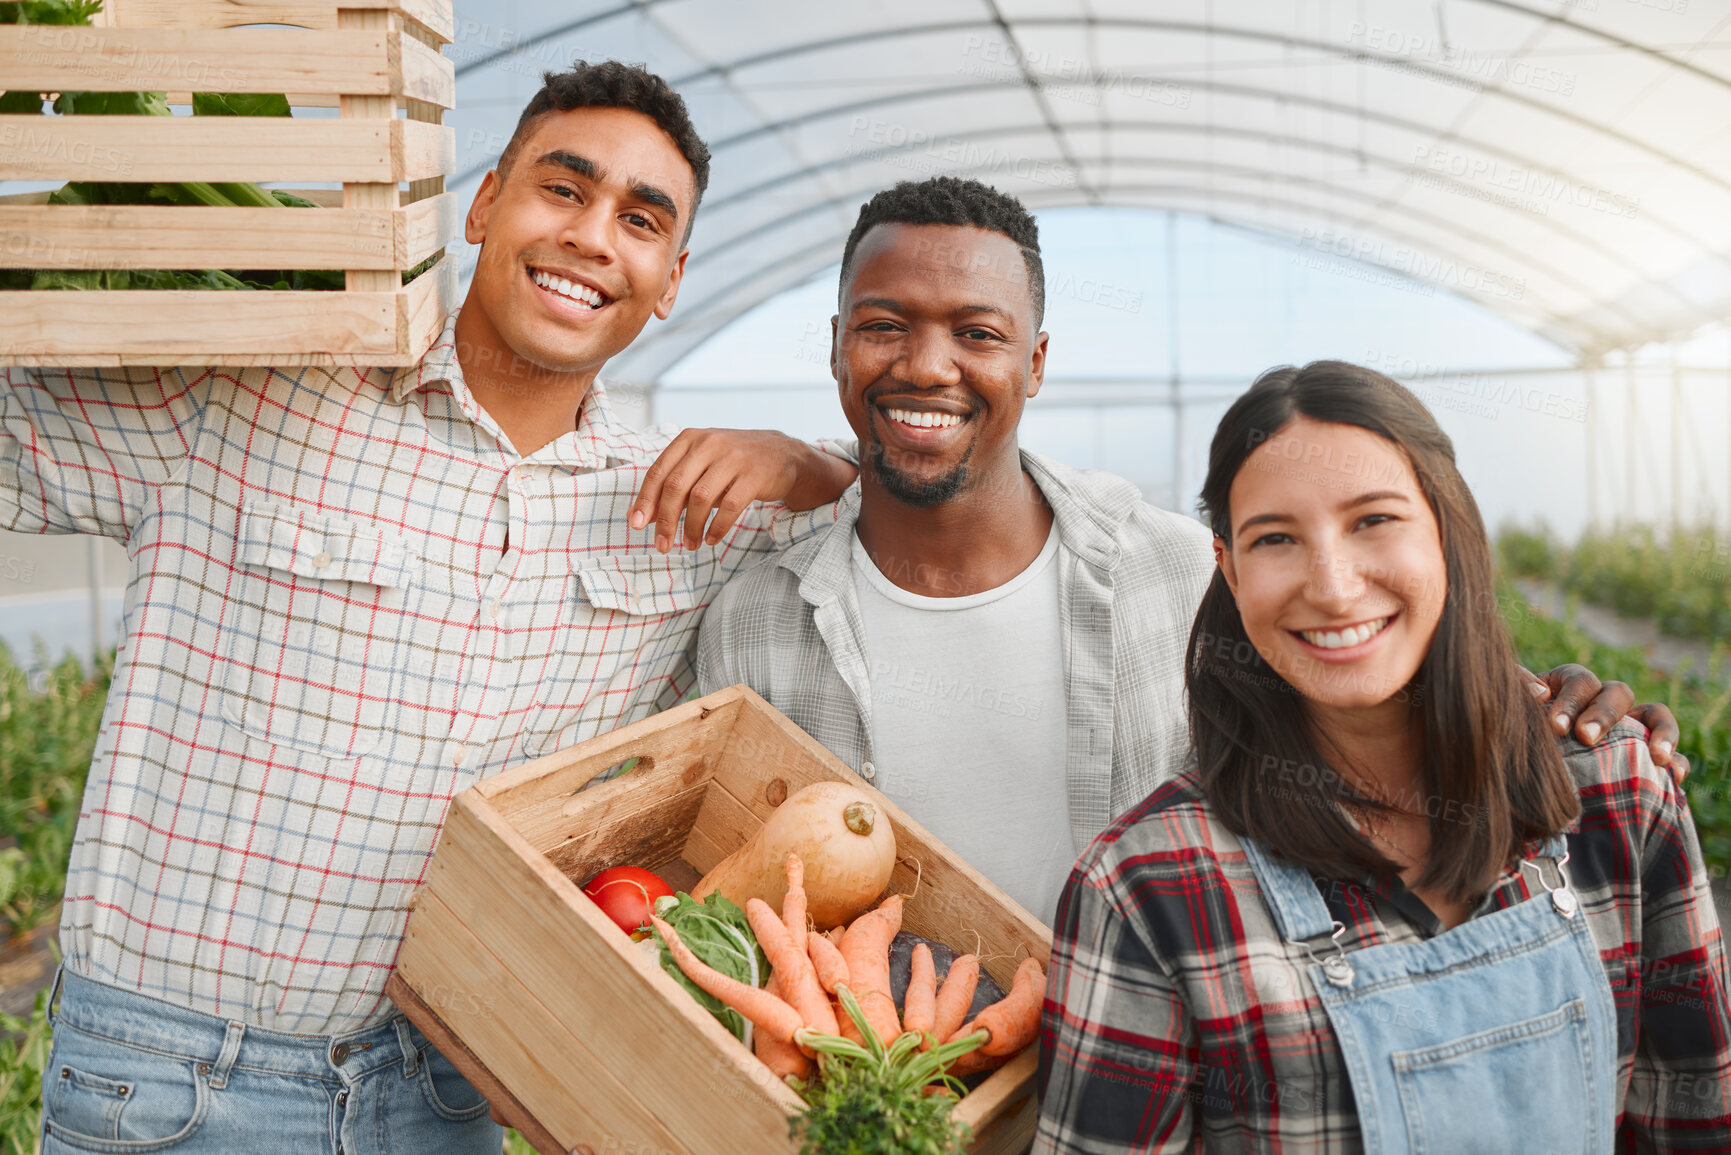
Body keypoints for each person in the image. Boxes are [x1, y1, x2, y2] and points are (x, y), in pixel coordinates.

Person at [10, 62, 857, 1154]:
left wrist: (798, 457)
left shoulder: (680, 507)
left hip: (447, 1088)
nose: (595, 237)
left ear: (672, 278)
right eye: (564, 189)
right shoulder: (245, 397)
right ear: (484, 203)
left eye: (640, 220)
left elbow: (909, 518)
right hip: (172, 1083)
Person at [697, 175, 1683, 929]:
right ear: (835, 347)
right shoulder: (752, 617)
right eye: (884, 327)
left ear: (1035, 362)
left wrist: (1546, 706)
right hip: (881, 1088)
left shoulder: (1174, 572)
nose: (925, 365)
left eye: (977, 333)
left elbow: (1372, 675)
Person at [1034, 362, 1731, 1153]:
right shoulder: (1149, 887)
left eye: (1372, 520)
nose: (1332, 588)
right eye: (1275, 538)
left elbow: (1694, 1123)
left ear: (1444, 526)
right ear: (1228, 570)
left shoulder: (1617, 798)